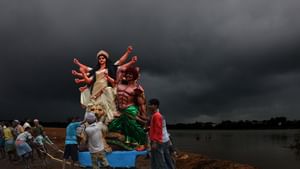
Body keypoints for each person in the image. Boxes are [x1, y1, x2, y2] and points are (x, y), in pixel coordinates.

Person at [108, 66, 148, 150]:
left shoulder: (137, 89)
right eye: (128, 74)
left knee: (127, 117)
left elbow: (142, 104)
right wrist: (126, 69)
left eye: (131, 74)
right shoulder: (119, 84)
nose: (129, 76)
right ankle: (120, 141)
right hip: (120, 110)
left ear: (135, 76)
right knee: (112, 126)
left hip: (131, 108)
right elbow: (119, 69)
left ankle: (141, 141)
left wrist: (143, 115)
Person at [148, 98, 176, 169]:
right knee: (166, 159)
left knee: (160, 161)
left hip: (158, 141)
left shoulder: (156, 116)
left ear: (155, 106)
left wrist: (154, 142)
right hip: (164, 140)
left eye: (150, 105)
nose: (149, 106)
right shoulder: (158, 115)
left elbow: (158, 130)